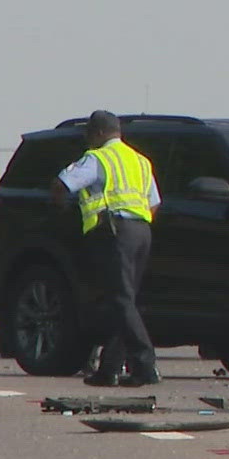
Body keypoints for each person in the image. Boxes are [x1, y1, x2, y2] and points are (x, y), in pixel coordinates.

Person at [54, 110, 161, 387]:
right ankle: (110, 368)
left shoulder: (98, 158)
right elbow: (154, 202)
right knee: (124, 302)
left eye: (90, 134)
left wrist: (63, 206)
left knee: (121, 301)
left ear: (99, 133)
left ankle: (146, 364)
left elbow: (62, 184)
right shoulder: (140, 161)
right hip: (142, 231)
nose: (88, 140)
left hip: (115, 232)